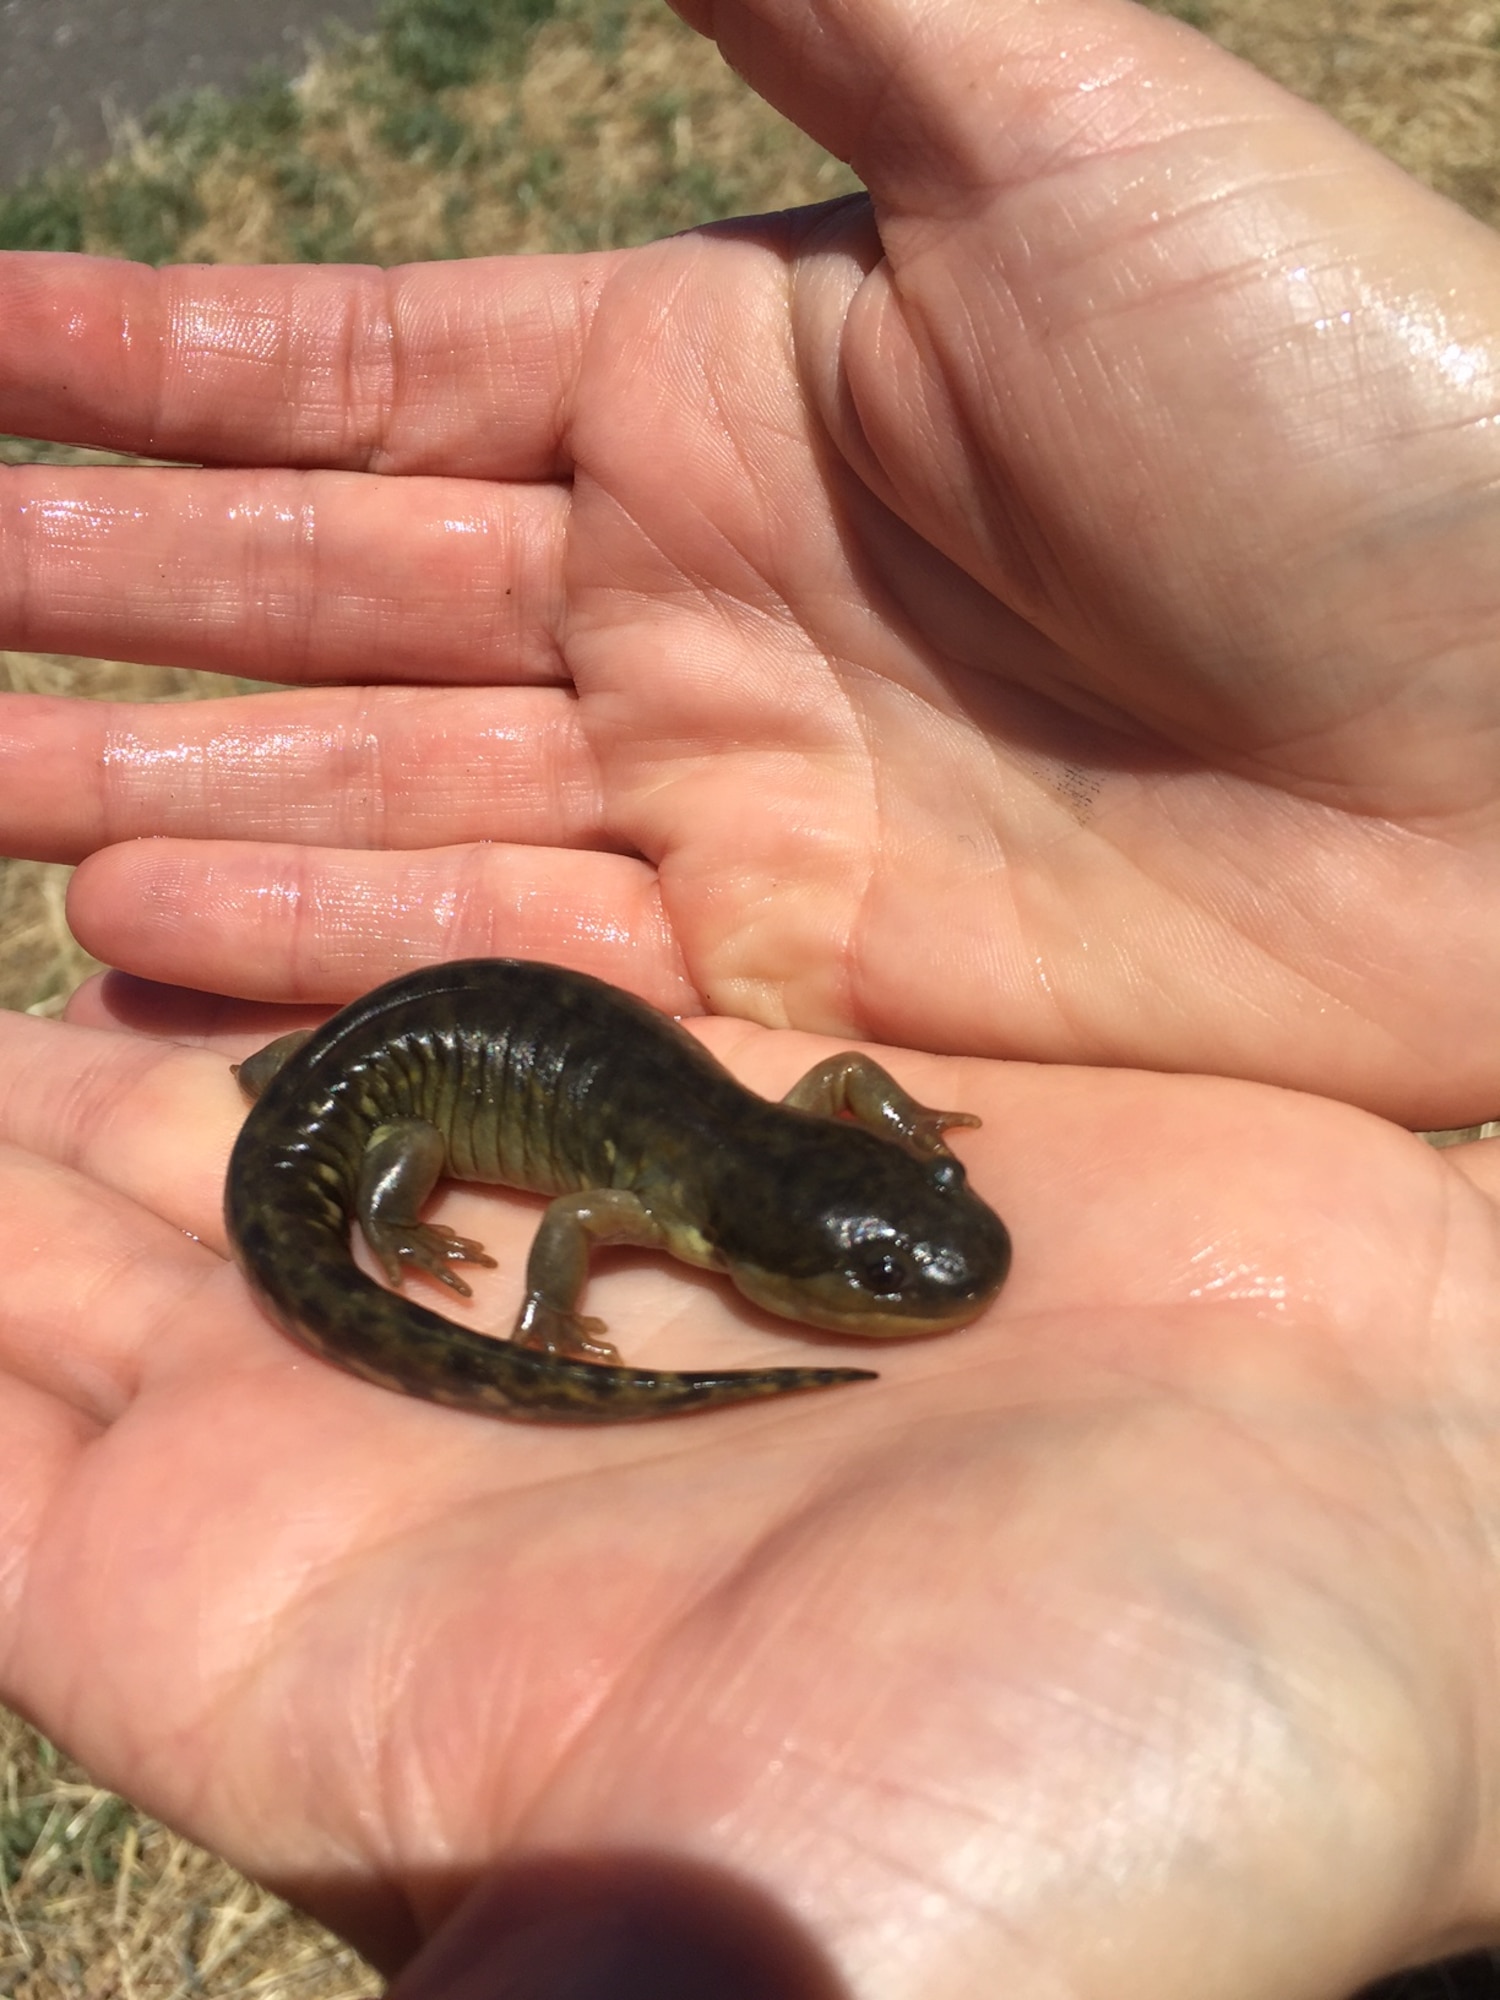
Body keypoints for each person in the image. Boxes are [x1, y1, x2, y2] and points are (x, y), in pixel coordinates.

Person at [2, 0, 1499, 1991]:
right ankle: (357, 1164)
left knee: (394, 1099)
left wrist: (913, 1149)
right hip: (377, 1092)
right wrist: (469, 1267)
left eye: (924, 1248)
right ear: (775, 1257)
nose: (941, 1266)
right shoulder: (680, 1196)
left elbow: (859, 1081)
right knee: (366, 1165)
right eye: (893, 1272)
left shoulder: (770, 1161)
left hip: (417, 1050)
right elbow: (628, 1200)